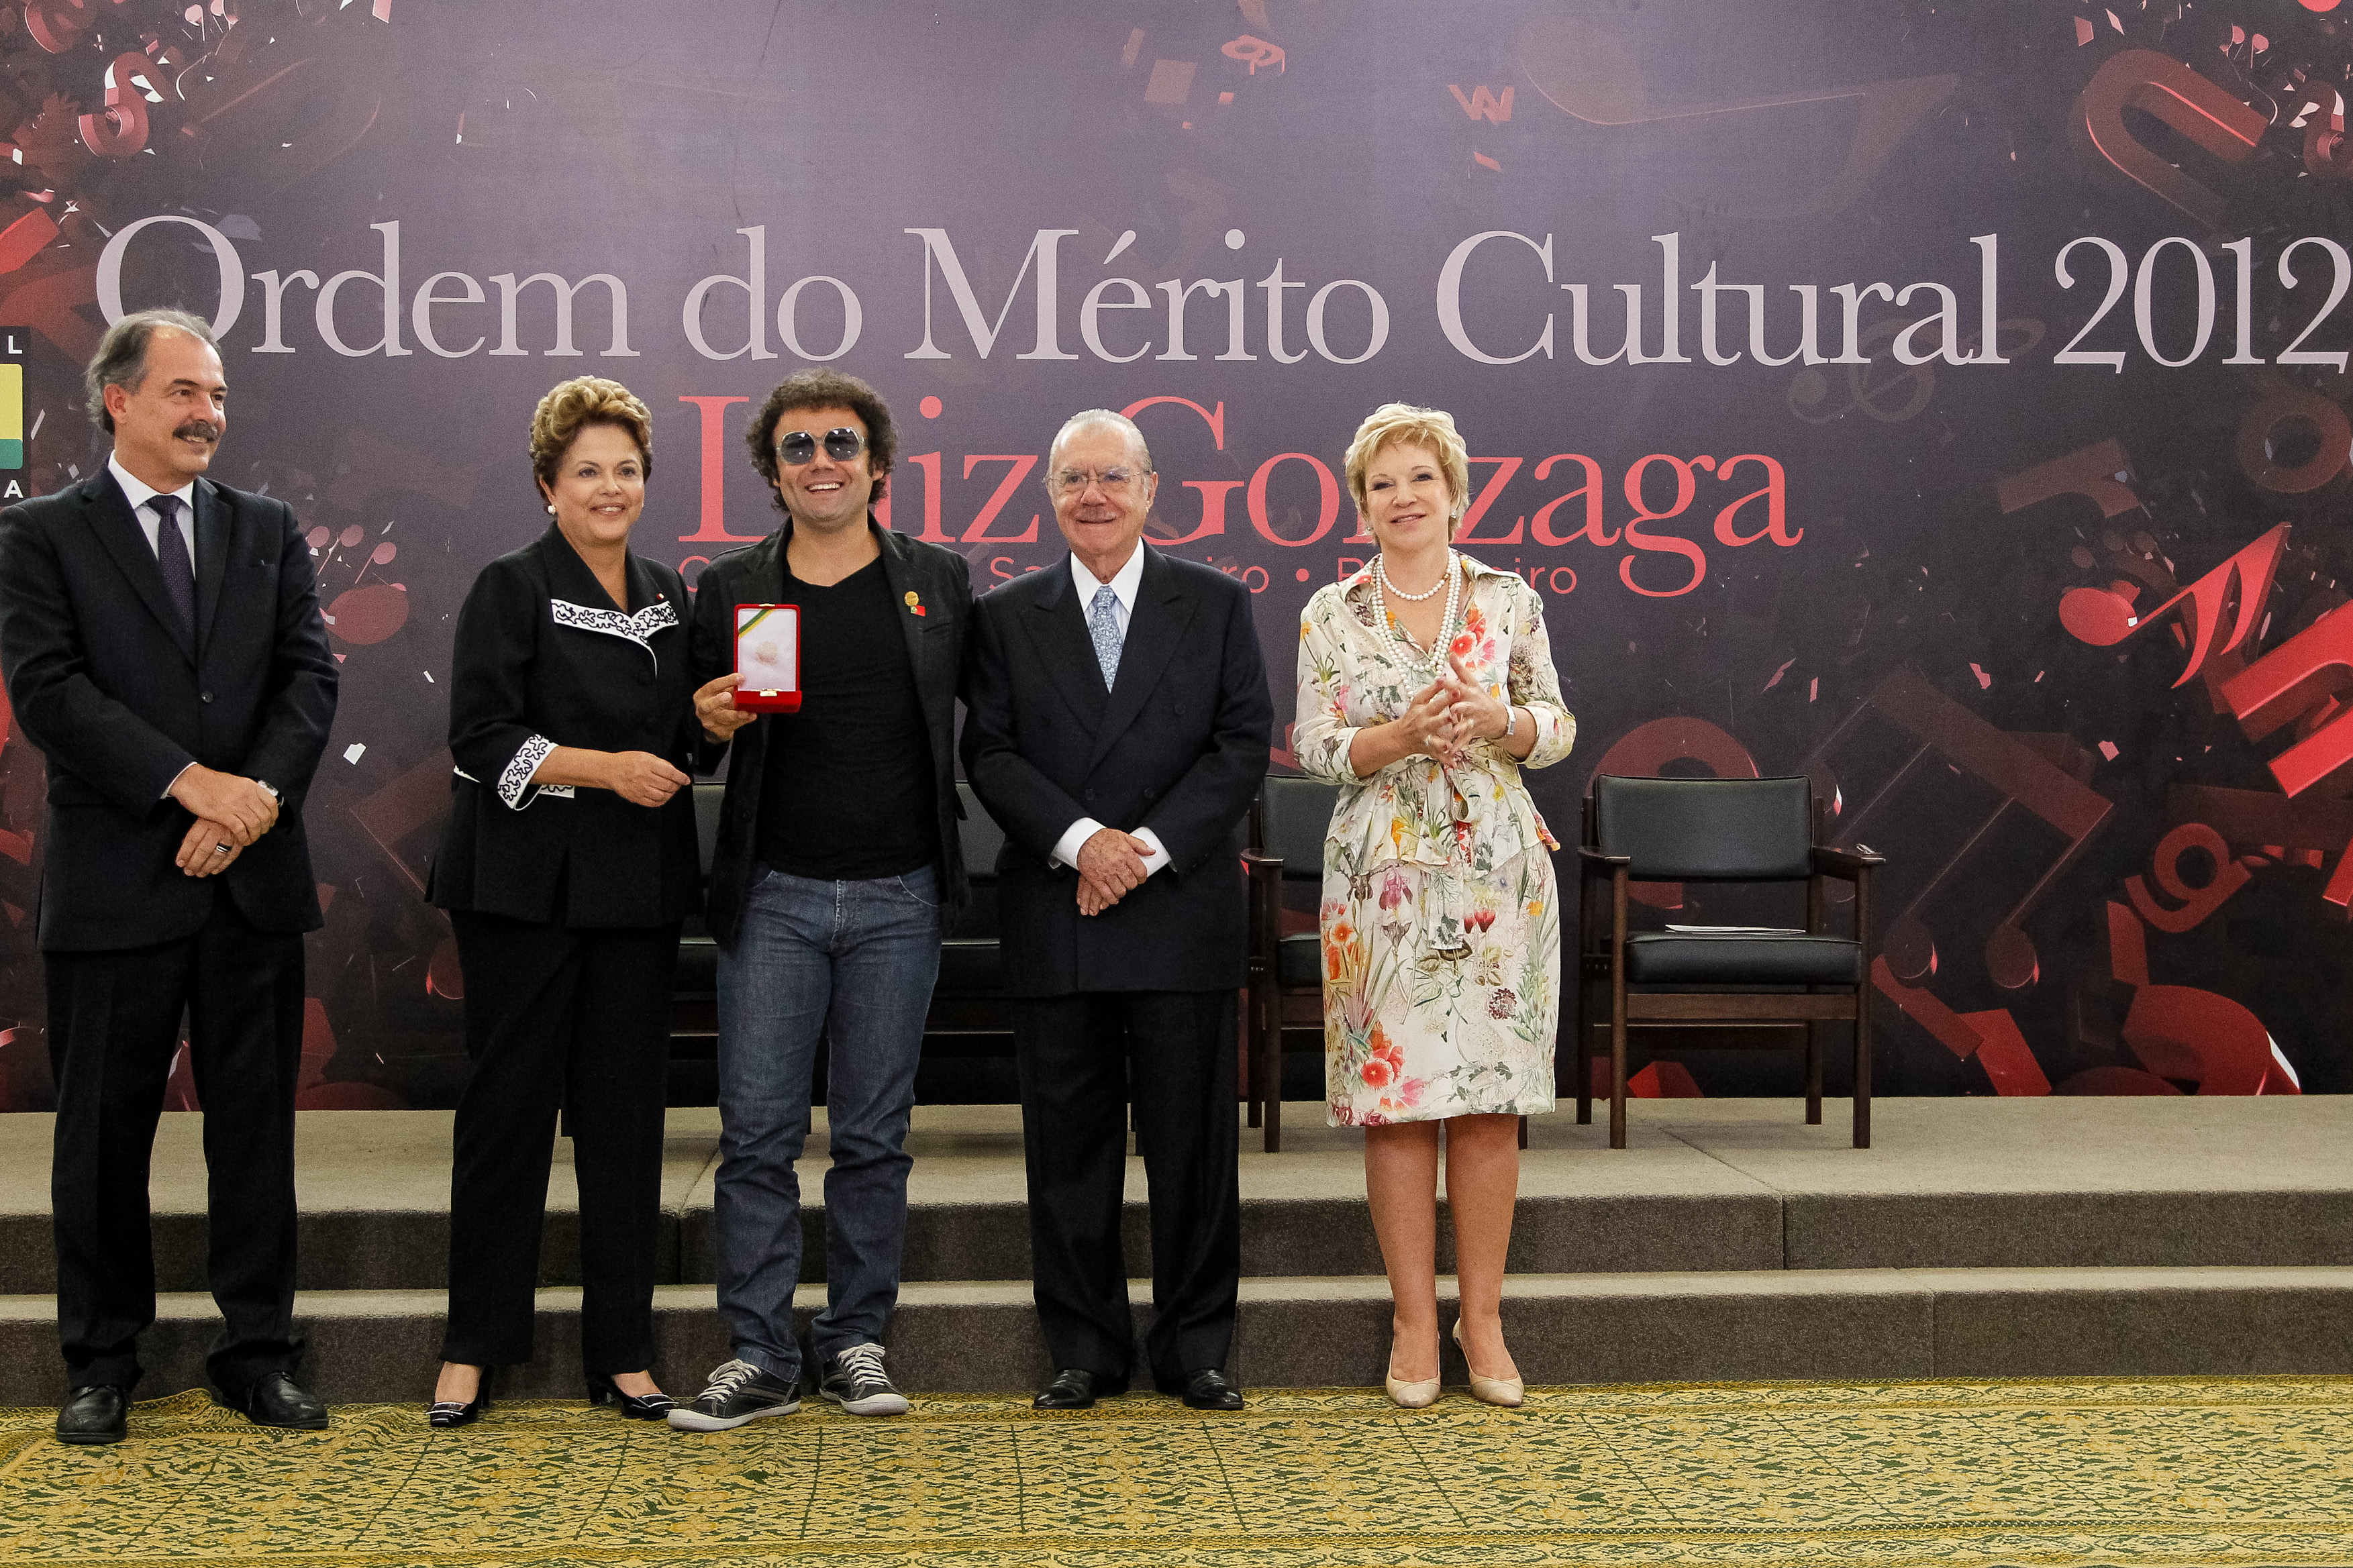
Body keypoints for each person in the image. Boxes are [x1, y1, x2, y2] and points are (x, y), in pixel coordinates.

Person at [0, 308, 338, 1444]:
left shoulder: (266, 526)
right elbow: (51, 693)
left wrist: (248, 807)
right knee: (102, 1136)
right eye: (186, 392)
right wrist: (194, 785)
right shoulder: (43, 532)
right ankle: (102, 1361)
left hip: (246, 878)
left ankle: (257, 1352)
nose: (209, 413)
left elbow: (308, 683)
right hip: (114, 881)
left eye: (220, 395)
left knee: (255, 1131)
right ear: (120, 400)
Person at [668, 369, 972, 1432]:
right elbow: (692, 736)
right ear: (772, 469)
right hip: (776, 897)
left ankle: (853, 1342)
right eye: (797, 448)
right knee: (754, 1136)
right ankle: (758, 1352)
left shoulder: (936, 579)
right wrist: (706, 723)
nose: (822, 462)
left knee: (873, 1140)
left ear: (877, 465)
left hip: (900, 894)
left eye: (841, 443)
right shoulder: (731, 586)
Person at [962, 409, 1270, 1412]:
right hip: (1059, 909)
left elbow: (1239, 744)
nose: (1091, 496)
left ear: (1149, 490)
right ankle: (1084, 1346)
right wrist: (1080, 843)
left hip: (1176, 907)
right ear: (1049, 496)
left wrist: (1135, 852)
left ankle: (1196, 1347)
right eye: (1072, 480)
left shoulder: (1215, 602)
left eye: (1112, 478)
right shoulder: (1006, 614)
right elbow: (991, 753)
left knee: (1192, 1151)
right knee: (1067, 1152)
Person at [424, 376, 704, 1427]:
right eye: (587, 469)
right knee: (508, 1119)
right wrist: (605, 767)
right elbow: (480, 739)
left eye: (626, 468)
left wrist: (708, 719)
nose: (610, 486)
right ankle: (472, 1346)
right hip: (521, 892)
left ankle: (623, 1352)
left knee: (626, 1126)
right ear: (548, 484)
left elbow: (673, 741)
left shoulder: (672, 592)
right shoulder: (510, 584)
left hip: (635, 891)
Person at [1291, 403, 1575, 1410]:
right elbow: (1318, 745)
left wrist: (1502, 719)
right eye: (1381, 483)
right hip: (1382, 881)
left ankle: (1483, 1319)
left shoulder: (1507, 600)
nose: (1402, 497)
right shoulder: (1331, 613)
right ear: (1361, 504)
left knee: (1491, 1106)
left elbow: (1557, 723)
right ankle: (1415, 1319)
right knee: (1396, 1107)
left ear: (1455, 492)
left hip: (1497, 874)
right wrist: (1398, 735)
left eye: (1419, 478)